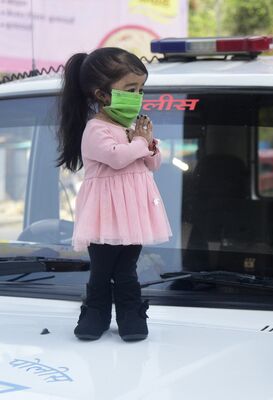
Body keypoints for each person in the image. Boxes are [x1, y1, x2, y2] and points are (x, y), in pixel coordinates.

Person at [56, 48, 172, 341]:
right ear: (102, 95)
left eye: (141, 89)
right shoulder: (95, 129)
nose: (138, 96)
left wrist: (149, 145)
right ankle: (95, 315)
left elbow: (153, 163)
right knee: (101, 269)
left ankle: (131, 316)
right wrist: (142, 143)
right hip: (104, 217)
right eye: (130, 89)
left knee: (127, 270)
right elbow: (117, 157)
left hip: (132, 216)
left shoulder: (132, 128)